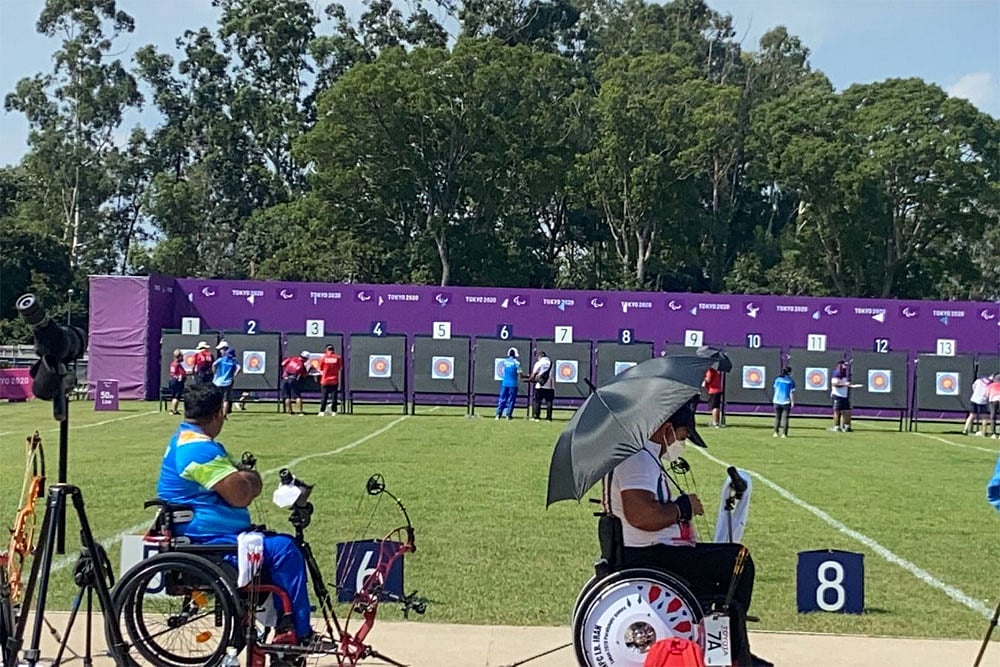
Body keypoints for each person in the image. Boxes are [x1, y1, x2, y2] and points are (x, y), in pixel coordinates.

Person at [156, 384, 323, 649]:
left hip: (209, 536)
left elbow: (240, 481)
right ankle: (296, 632)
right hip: (209, 543)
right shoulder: (198, 450)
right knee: (285, 549)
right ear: (218, 414)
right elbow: (242, 494)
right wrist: (251, 478)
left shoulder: (188, 440)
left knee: (278, 544)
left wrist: (244, 478)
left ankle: (285, 626)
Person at [608, 400, 770, 667]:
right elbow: (641, 515)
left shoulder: (645, 457)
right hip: (651, 556)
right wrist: (684, 508)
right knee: (737, 560)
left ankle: (730, 645)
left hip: (656, 552)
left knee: (730, 561)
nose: (680, 445)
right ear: (667, 429)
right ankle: (733, 652)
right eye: (682, 437)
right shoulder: (639, 458)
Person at [212, 345, 241, 415]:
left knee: (218, 399)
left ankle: (217, 414)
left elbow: (214, 365)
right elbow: (239, 368)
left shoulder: (221, 359)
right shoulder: (233, 361)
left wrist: (215, 373)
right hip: (228, 382)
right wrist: (234, 374)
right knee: (226, 400)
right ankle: (224, 415)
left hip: (218, 382)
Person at [527, 349, 554, 422]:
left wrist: (529, 379)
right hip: (549, 385)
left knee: (537, 401)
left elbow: (534, 374)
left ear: (540, 356)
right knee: (549, 401)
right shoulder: (551, 363)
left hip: (540, 385)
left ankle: (537, 417)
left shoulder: (539, 363)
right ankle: (549, 418)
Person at [281, 350, 310, 416]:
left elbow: (283, 364)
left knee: (287, 396)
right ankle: (300, 412)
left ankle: (290, 412)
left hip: (285, 379)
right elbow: (304, 375)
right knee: (297, 396)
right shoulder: (302, 365)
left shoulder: (292, 358)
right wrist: (309, 369)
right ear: (306, 359)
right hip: (293, 380)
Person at [495, 347, 521, 420]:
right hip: (513, 384)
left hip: (504, 383)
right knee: (511, 400)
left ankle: (498, 414)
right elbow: (520, 373)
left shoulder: (504, 361)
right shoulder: (517, 363)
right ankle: (508, 415)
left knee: (502, 399)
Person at [317, 344, 343, 417]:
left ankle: (322, 411)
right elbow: (340, 368)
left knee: (324, 397)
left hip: (325, 380)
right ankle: (334, 411)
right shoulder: (337, 358)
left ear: (326, 350)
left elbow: (320, 368)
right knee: (334, 397)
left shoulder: (323, 358)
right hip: (334, 380)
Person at [772, 366, 795, 438]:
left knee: (777, 417)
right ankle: (784, 434)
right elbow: (791, 393)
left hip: (776, 401)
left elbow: (775, 389)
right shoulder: (790, 381)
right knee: (785, 418)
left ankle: (775, 432)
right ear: (789, 373)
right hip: (786, 401)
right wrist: (792, 402)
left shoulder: (778, 379)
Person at [830, 361, 852, 432]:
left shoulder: (845, 373)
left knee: (847, 411)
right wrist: (845, 384)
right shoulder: (836, 373)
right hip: (837, 395)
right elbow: (835, 384)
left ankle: (847, 427)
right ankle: (837, 427)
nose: (845, 367)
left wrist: (847, 385)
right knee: (837, 411)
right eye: (844, 365)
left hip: (844, 395)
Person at [167, 349, 188, 415]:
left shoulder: (173, 363)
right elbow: (180, 373)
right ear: (178, 357)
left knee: (174, 396)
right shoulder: (177, 364)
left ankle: (174, 409)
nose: (183, 358)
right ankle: (173, 410)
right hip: (177, 381)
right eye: (181, 356)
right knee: (177, 396)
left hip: (173, 380)